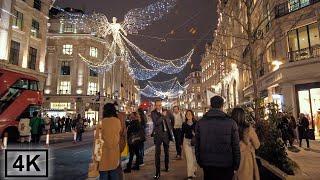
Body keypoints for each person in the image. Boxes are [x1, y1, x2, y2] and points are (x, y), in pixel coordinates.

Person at [195, 96, 240, 180]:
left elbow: (197, 144)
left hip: (207, 162)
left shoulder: (200, 123)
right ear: (222, 106)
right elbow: (235, 145)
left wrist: (199, 160)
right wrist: (236, 164)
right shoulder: (231, 122)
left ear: (210, 106)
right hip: (226, 163)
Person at [232, 108, 260, 180]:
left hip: (232, 160)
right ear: (243, 116)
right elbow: (257, 145)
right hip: (247, 161)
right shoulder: (248, 129)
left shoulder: (229, 128)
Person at [151, 100, 174, 179]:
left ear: (162, 105)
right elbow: (156, 122)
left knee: (167, 152)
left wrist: (170, 128)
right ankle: (157, 173)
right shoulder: (153, 113)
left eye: (160, 105)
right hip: (158, 135)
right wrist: (162, 116)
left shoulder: (167, 111)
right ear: (155, 105)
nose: (159, 106)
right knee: (157, 154)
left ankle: (167, 167)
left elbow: (172, 118)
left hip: (166, 135)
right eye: (157, 105)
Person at [98, 103, 122, 180]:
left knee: (103, 172)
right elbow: (118, 134)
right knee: (114, 171)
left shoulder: (102, 122)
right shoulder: (117, 121)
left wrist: (95, 156)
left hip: (104, 152)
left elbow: (97, 140)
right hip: (114, 151)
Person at [182, 110, 197, 179]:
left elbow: (199, 133)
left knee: (194, 158)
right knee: (189, 159)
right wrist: (180, 143)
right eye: (187, 114)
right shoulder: (184, 124)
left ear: (192, 115)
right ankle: (189, 175)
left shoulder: (196, 123)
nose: (188, 115)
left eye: (190, 114)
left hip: (195, 142)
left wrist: (195, 134)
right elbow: (182, 133)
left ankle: (193, 170)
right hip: (187, 142)